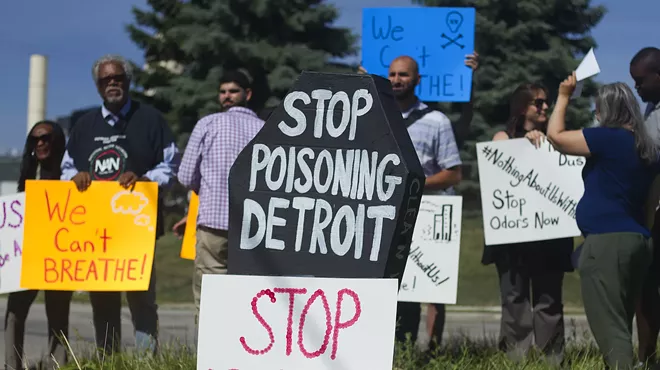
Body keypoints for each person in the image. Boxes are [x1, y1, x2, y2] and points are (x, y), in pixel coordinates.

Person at [61, 54, 180, 355]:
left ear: (128, 81)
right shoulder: (83, 125)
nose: (112, 83)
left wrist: (143, 178)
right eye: (105, 80)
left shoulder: (151, 119)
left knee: (141, 299)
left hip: (137, 229)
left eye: (118, 78)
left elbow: (170, 165)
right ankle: (108, 359)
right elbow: (65, 169)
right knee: (102, 299)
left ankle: (146, 361)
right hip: (94, 233)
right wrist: (76, 177)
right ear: (98, 86)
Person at [547, 72, 659, 369]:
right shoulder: (646, 148)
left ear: (606, 111)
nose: (594, 114)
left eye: (597, 108)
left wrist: (563, 96)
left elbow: (556, 137)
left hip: (607, 243)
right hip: (638, 241)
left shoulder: (608, 139)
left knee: (611, 330)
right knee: (621, 319)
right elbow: (650, 204)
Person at [483, 83, 574, 365]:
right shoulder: (504, 136)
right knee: (515, 302)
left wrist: (545, 140)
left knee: (549, 302)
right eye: (539, 103)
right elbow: (499, 157)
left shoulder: (555, 138)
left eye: (546, 103)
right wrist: (524, 143)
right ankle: (515, 360)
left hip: (549, 238)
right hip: (513, 240)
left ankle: (552, 360)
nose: (545, 107)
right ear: (523, 107)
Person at [177, 70, 265, 326]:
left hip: (213, 222)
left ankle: (209, 358)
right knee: (246, 293)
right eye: (223, 91)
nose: (227, 96)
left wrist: (204, 187)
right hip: (252, 226)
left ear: (247, 94)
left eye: (233, 91)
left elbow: (184, 175)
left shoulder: (208, 123)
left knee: (208, 295)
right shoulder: (265, 129)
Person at [5, 121, 72, 370]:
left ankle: (58, 365)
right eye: (35, 139)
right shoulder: (27, 172)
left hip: (59, 255)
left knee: (58, 317)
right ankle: (12, 365)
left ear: (57, 142)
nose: (40, 143)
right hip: (29, 255)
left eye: (45, 138)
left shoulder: (69, 175)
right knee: (13, 313)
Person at [629, 46, 660, 368]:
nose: (636, 87)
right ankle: (647, 358)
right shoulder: (650, 108)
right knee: (646, 286)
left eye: (640, 80)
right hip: (651, 214)